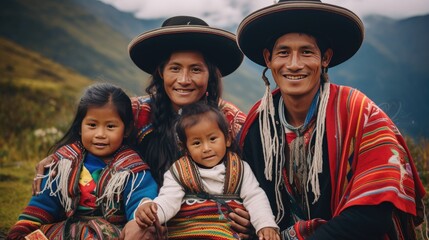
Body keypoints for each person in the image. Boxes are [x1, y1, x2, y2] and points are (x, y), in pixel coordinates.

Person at [33, 16, 253, 239]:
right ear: (161, 72)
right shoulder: (136, 112)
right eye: (175, 68)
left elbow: (253, 181)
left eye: (196, 69)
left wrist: (250, 218)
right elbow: (97, 137)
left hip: (211, 221)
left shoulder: (231, 121)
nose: (184, 79)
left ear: (210, 74)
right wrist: (62, 156)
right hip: (149, 216)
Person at [236, 0, 427, 239]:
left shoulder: (360, 114)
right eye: (283, 52)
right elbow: (247, 194)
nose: (294, 64)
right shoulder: (257, 124)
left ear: (325, 58)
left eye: (307, 52)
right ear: (268, 59)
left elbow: (374, 210)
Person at [7, 83, 158, 239]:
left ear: (126, 130)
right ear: (80, 127)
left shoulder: (132, 168)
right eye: (92, 125)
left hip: (109, 232)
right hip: (66, 230)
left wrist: (140, 214)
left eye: (110, 126)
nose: (100, 134)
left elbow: (140, 199)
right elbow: (43, 203)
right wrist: (24, 228)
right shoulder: (64, 163)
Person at [134, 102, 280, 240]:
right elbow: (169, 200)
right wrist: (152, 213)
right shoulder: (179, 172)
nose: (206, 148)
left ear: (227, 139)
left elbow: (254, 197)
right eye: (197, 143)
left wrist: (265, 225)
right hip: (187, 233)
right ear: (185, 149)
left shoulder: (240, 169)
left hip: (225, 234)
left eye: (212, 139)